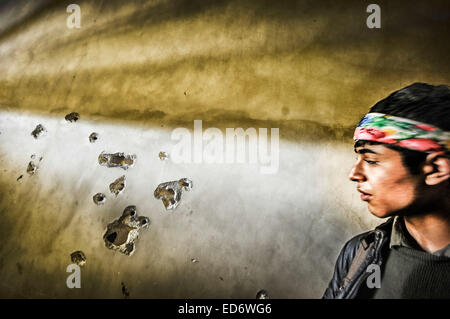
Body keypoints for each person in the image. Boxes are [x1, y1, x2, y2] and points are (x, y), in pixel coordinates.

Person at [322, 82, 450, 299]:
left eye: (371, 160)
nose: (354, 173)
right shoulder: (361, 253)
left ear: (436, 168)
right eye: (358, 158)